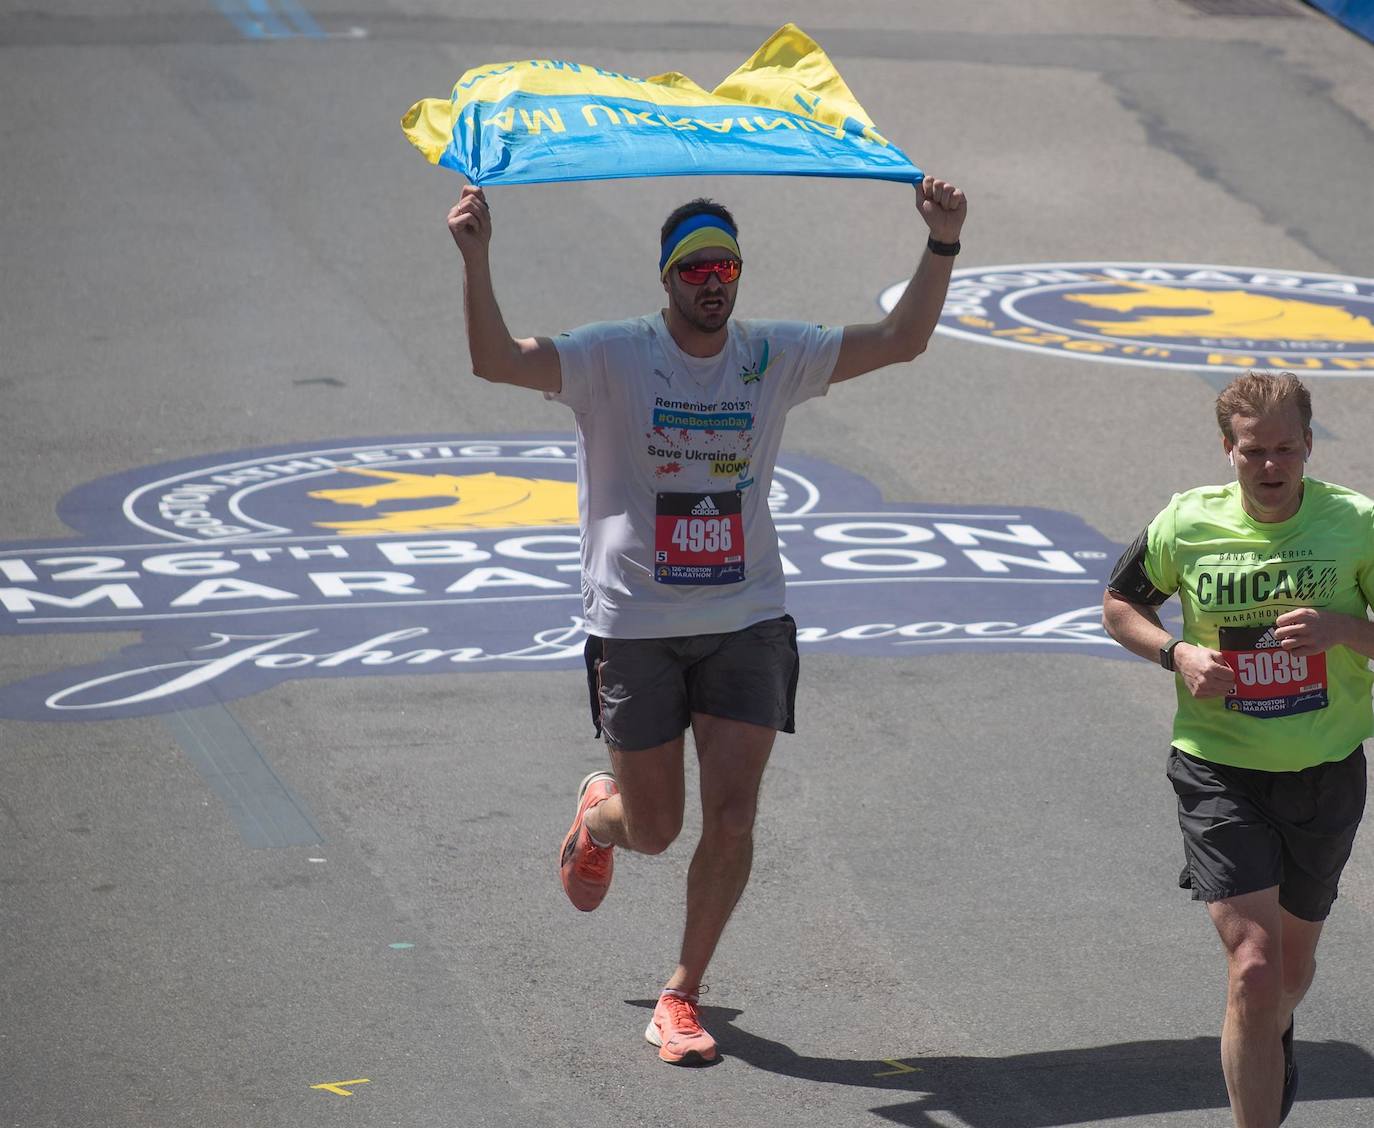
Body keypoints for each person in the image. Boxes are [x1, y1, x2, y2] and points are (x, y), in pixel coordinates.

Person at [447, 174, 967, 1065]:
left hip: (747, 614)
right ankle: (599, 814)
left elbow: (903, 340)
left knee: (732, 816)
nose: (712, 281)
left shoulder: (772, 355)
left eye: (725, 265)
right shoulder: (613, 356)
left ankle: (681, 993)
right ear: (666, 280)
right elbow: (496, 359)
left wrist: (943, 240)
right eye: (694, 268)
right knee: (656, 829)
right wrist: (477, 256)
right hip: (637, 622)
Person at [1102, 371, 1374, 1126]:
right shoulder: (1186, 523)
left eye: (1287, 448)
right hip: (1219, 768)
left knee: (1288, 975)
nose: (1272, 465)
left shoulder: (1356, 522)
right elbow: (1120, 603)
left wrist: (1344, 630)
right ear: (1228, 449)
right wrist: (1174, 655)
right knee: (1253, 969)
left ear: (1310, 446)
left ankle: (1275, 1029)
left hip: (1324, 773)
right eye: (1254, 450)